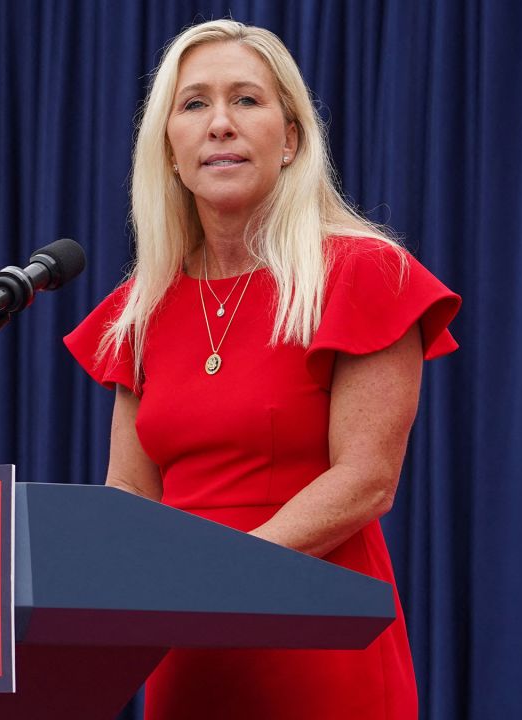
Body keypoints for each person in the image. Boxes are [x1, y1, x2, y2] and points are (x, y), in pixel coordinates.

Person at [64, 19, 461, 720]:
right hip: (188, 658)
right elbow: (128, 490)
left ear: (292, 140)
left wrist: (222, 579)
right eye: (194, 105)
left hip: (321, 645)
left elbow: (366, 479)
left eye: (246, 100)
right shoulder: (140, 308)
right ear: (170, 151)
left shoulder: (364, 273)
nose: (220, 124)